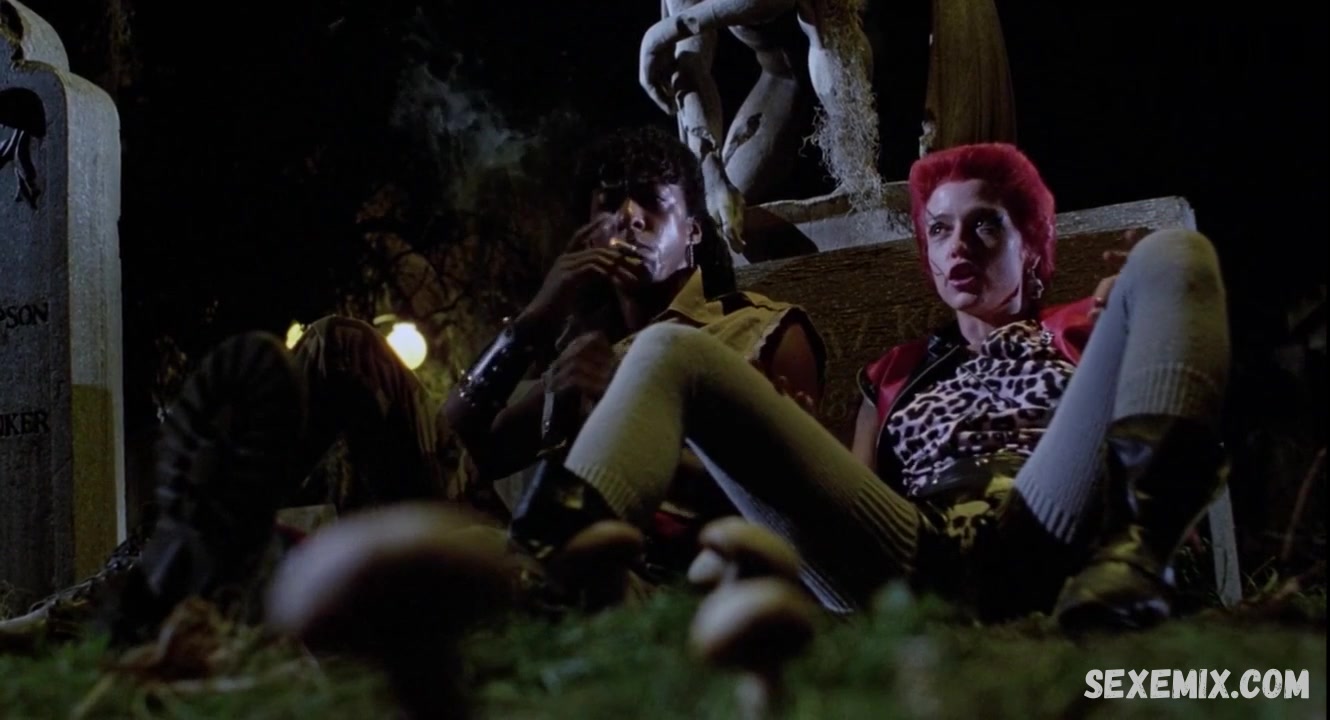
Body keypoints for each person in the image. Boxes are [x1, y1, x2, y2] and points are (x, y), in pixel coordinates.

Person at [508, 143, 1231, 632]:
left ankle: (1136, 566)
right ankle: (550, 567)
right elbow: (857, 504)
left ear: (1033, 246)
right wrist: (779, 461)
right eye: (939, 230)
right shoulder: (891, 373)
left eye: (984, 226)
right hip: (918, 555)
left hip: (1055, 523)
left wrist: (1134, 315)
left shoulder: (1082, 325)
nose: (958, 246)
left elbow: (1166, 363)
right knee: (670, 346)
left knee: (1174, 253)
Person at [443, 124, 825, 565]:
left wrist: (619, 409)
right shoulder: (583, 356)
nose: (629, 217)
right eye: (609, 205)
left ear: (693, 232)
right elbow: (456, 449)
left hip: (695, 575)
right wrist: (536, 318)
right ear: (588, 235)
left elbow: (798, 506)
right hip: (578, 567)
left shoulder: (761, 329)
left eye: (653, 201)